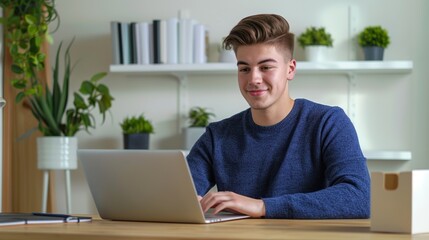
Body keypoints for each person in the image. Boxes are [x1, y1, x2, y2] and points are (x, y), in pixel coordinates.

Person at [186, 14, 370, 219]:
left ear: (290, 69)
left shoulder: (328, 122)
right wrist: (185, 201)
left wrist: (262, 206)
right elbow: (180, 193)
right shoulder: (217, 135)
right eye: (244, 68)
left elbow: (360, 196)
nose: (253, 78)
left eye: (265, 67)